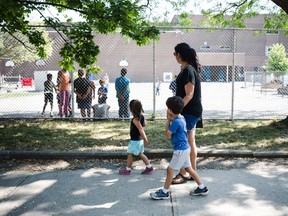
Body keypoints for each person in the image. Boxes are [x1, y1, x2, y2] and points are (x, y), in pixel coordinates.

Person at [150, 96, 208, 200]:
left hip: (180, 150)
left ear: (170, 110)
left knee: (170, 170)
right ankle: (202, 187)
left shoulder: (175, 122)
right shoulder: (181, 118)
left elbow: (167, 134)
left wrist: (168, 121)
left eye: (168, 108)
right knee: (189, 168)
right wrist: (172, 118)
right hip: (186, 148)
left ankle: (165, 192)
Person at [172, 42, 203, 184]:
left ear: (179, 54)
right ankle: (191, 173)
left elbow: (189, 95)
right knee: (190, 141)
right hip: (191, 111)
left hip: (189, 112)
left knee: (185, 143)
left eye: (175, 53)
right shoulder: (187, 69)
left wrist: (176, 110)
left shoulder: (189, 70)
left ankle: (184, 173)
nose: (174, 56)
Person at [119, 99, 153, 175]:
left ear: (131, 109)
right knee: (140, 154)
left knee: (130, 154)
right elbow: (144, 125)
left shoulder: (135, 119)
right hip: (139, 140)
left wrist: (145, 139)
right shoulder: (141, 117)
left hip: (135, 141)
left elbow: (141, 129)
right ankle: (149, 166)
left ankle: (128, 169)